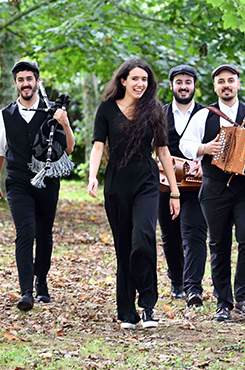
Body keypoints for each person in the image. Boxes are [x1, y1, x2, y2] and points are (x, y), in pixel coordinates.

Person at [179, 64, 245, 321]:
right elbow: (185, 143)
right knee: (219, 244)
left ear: (238, 84)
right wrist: (205, 148)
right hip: (214, 189)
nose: (226, 85)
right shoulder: (205, 115)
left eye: (230, 81)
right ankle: (222, 302)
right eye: (221, 82)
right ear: (215, 87)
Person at [87, 59, 181, 330]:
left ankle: (148, 306)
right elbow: (97, 146)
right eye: (135, 78)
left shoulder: (153, 110)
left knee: (143, 239)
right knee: (124, 247)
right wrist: (93, 176)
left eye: (145, 79)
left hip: (147, 182)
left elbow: (163, 151)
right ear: (123, 81)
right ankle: (126, 311)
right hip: (116, 183)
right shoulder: (106, 109)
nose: (141, 84)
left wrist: (174, 192)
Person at [0, 60, 75, 312]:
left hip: (47, 182)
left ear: (37, 82)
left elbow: (69, 148)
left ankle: (42, 280)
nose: (25, 83)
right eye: (20, 79)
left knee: (44, 233)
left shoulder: (53, 112)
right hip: (18, 181)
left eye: (29, 79)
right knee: (25, 231)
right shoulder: (4, 115)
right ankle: (25, 291)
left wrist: (65, 123)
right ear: (15, 83)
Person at [158, 65, 208, 307]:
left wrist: (202, 162)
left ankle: (193, 288)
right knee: (170, 236)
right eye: (179, 82)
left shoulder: (207, 114)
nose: (184, 86)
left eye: (188, 82)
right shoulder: (159, 113)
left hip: (197, 186)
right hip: (164, 187)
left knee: (195, 235)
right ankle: (176, 280)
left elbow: (214, 146)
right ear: (172, 86)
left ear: (194, 86)